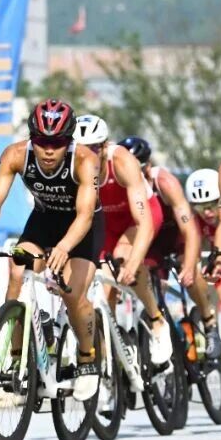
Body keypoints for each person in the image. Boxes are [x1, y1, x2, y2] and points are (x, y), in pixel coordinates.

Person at [0, 100, 102, 400]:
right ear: (32, 138)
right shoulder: (15, 155)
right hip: (44, 221)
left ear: (69, 141)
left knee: (72, 293)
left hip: (83, 228)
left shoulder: (85, 160)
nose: (49, 150)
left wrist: (65, 246)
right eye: (42, 142)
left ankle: (87, 357)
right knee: (17, 271)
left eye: (57, 143)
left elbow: (85, 216)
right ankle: (17, 360)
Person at [71, 116, 170, 364]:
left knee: (124, 260)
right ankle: (110, 354)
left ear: (105, 146)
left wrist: (134, 263)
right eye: (81, 149)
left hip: (138, 217)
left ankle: (157, 319)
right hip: (107, 223)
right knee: (105, 288)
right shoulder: (73, 167)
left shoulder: (122, 162)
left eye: (93, 148)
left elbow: (144, 223)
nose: (87, 155)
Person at [122, 135, 213, 334]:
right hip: (151, 240)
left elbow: (190, 230)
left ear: (148, 166)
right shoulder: (125, 185)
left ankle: (209, 321)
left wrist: (189, 265)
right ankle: (157, 327)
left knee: (190, 273)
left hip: (176, 236)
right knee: (147, 278)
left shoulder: (165, 183)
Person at [186, 168, 221, 354]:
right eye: (200, 207)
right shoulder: (197, 221)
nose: (207, 212)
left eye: (212, 205)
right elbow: (193, 247)